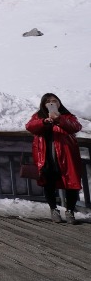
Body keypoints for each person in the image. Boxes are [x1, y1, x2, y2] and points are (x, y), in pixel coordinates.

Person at [25, 94, 84, 224]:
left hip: (66, 157)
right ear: (43, 104)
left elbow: (76, 127)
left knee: (71, 184)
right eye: (48, 102)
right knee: (48, 182)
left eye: (54, 101)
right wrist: (44, 121)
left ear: (59, 103)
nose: (51, 103)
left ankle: (70, 211)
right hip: (46, 156)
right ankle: (53, 209)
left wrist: (59, 119)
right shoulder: (39, 116)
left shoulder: (67, 116)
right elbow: (29, 127)